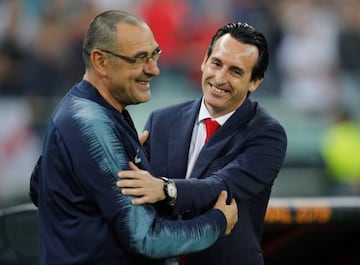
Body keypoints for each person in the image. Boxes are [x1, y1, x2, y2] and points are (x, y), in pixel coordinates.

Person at [28, 10, 238, 265]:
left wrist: (108, 164)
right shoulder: (91, 123)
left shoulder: (85, 110)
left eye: (154, 54)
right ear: (100, 61)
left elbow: (41, 188)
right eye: (140, 58)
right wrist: (216, 222)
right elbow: (145, 238)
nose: (154, 69)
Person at [117, 22, 287, 265]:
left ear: (255, 82)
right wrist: (127, 157)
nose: (220, 77)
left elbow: (220, 186)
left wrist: (166, 189)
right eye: (217, 63)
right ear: (204, 61)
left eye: (235, 71)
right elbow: (136, 188)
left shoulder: (267, 134)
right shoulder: (161, 121)